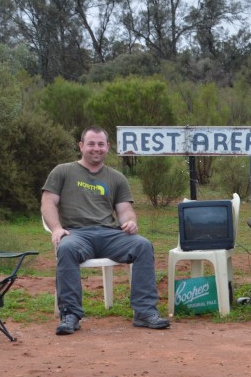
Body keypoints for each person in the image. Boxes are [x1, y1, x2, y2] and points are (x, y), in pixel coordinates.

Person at [41, 126, 170, 334]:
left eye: (101, 144)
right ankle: (71, 315)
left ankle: (145, 312)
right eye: (91, 143)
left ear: (108, 147)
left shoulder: (117, 177)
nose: (96, 148)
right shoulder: (63, 171)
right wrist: (56, 229)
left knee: (143, 245)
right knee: (65, 249)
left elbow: (125, 210)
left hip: (110, 234)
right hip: (76, 234)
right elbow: (47, 202)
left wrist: (130, 223)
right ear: (81, 146)